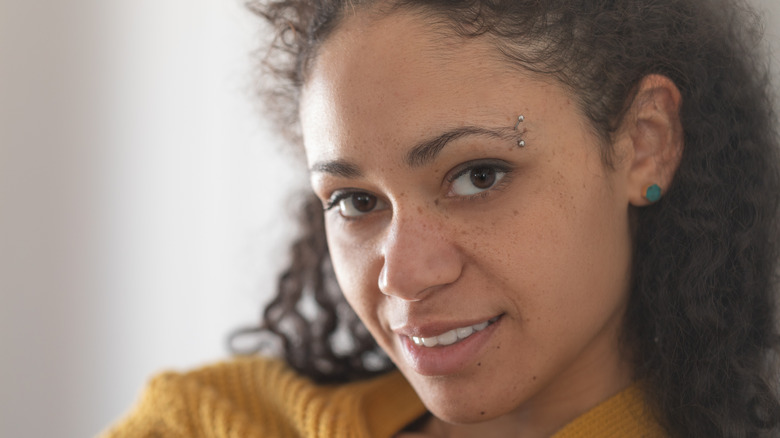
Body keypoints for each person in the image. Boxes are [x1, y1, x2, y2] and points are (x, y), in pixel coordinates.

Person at [102, 0, 780, 436]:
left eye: (478, 176)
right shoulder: (210, 423)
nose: (402, 276)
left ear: (645, 143)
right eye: (356, 201)